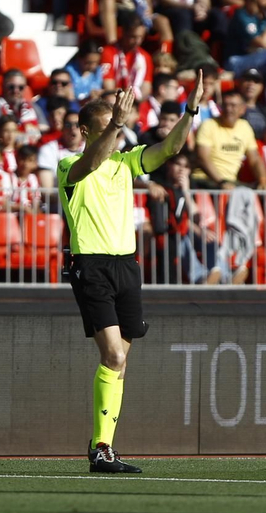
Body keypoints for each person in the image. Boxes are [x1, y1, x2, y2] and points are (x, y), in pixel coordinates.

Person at [60, 80, 211, 474]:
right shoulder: (69, 166)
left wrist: (190, 112)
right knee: (113, 355)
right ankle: (101, 449)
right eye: (109, 125)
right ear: (86, 131)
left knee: (120, 361)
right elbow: (90, 163)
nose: (118, 130)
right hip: (90, 265)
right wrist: (116, 127)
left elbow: (171, 148)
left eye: (119, 124)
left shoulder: (127, 163)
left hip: (126, 265)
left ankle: (101, 445)